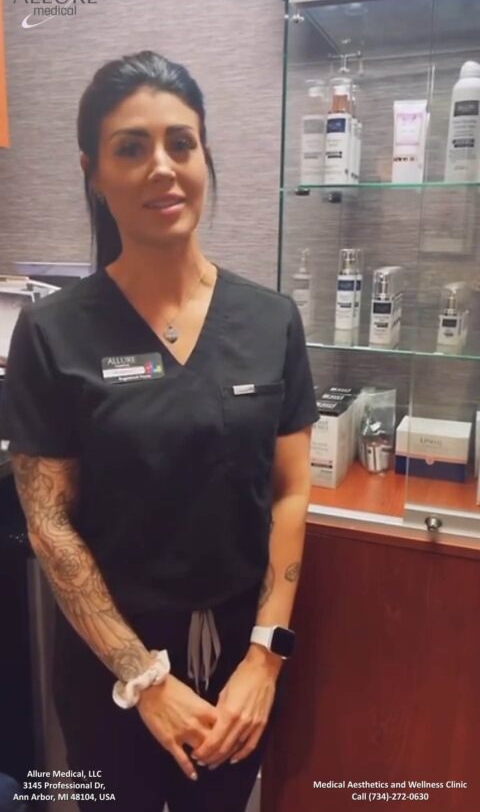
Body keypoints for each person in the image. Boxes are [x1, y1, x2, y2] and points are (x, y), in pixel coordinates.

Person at [0, 51, 318, 812]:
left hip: (241, 669)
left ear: (206, 155)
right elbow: (50, 526)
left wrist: (265, 662)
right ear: (94, 171)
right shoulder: (51, 333)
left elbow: (290, 491)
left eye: (182, 143)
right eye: (131, 148)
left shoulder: (270, 320)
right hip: (112, 674)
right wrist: (143, 678)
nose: (163, 168)